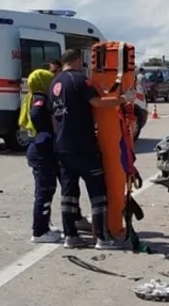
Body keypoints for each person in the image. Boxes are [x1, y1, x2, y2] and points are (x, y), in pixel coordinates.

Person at [50, 49, 137, 249]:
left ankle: (70, 236)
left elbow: (54, 117)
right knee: (97, 191)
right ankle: (102, 238)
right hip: (83, 145)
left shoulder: (54, 83)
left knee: (68, 193)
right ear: (78, 61)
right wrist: (124, 99)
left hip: (62, 145)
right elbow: (97, 102)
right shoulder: (81, 80)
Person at [18, 68, 62, 244]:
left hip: (35, 148)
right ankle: (39, 231)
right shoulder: (40, 99)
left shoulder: (30, 96)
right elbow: (37, 116)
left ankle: (45, 223)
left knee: (45, 189)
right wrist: (46, 132)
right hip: (40, 150)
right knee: (44, 191)